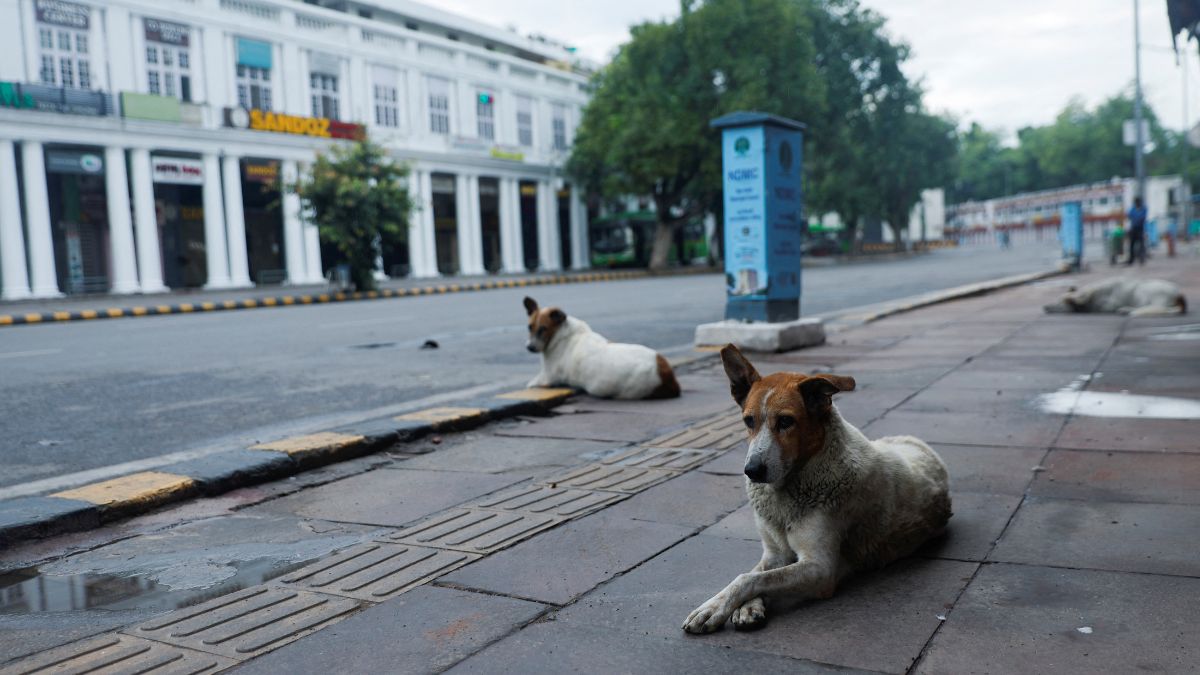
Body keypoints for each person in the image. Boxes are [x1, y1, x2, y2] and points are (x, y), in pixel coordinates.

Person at [1126, 197, 1147, 266]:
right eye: (1136, 203)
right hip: (1133, 228)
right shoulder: (1133, 209)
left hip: (1140, 228)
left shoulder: (1143, 209)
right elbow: (1129, 215)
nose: (1137, 204)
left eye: (1138, 202)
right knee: (1132, 245)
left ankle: (1141, 258)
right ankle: (1131, 259)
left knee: (1141, 244)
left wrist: (1136, 218)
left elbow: (1142, 218)